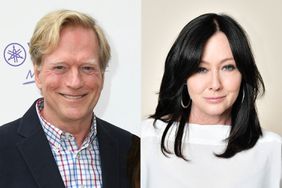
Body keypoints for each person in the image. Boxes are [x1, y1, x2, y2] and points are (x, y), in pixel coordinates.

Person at [0, 9, 138, 188]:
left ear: (102, 76)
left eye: (87, 68)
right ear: (37, 75)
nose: (75, 82)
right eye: (60, 67)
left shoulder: (133, 150)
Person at [142, 13, 281, 188]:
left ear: (243, 73)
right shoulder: (146, 140)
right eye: (201, 69)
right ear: (183, 76)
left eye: (228, 67)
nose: (215, 84)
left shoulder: (273, 150)